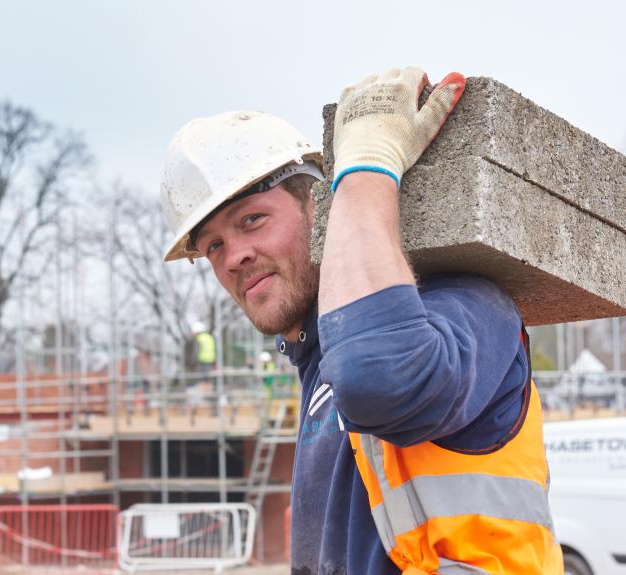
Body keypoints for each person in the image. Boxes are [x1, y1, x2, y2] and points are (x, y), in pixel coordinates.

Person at [160, 67, 564, 574]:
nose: (235, 255)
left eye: (252, 220)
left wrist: (367, 171)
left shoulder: (464, 304)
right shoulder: (318, 361)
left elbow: (380, 377)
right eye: (214, 245)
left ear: (320, 206)